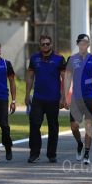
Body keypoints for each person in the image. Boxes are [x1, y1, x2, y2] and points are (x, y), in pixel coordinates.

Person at [25, 35, 66, 163]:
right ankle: (34, 153)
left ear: (51, 44)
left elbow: (65, 79)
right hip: (38, 98)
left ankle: (51, 154)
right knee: (34, 125)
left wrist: (63, 97)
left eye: (47, 44)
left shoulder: (59, 59)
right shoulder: (34, 58)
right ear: (39, 45)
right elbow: (30, 77)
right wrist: (27, 95)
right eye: (43, 44)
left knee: (53, 127)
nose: (45, 46)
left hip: (53, 99)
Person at [64, 34, 92, 165]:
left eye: (85, 43)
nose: (83, 45)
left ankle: (87, 153)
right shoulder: (71, 59)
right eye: (81, 43)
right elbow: (68, 78)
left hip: (90, 97)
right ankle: (79, 144)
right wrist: (65, 96)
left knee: (88, 126)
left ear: (88, 44)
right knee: (74, 126)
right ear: (77, 44)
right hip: (76, 98)